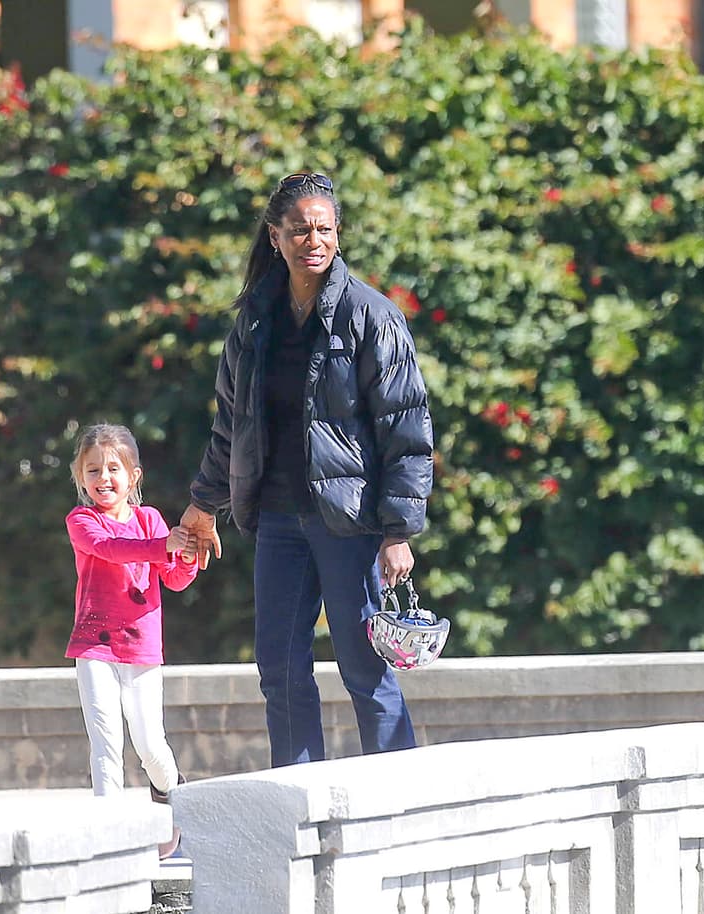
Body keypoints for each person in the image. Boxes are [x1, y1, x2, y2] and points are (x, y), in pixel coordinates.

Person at [178, 171, 434, 767]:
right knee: (279, 669)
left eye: (323, 229)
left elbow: (407, 428)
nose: (311, 240)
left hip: (349, 522)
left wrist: (398, 532)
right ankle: (298, 798)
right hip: (276, 520)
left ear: (338, 235)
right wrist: (202, 503)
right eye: (299, 230)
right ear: (276, 237)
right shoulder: (254, 321)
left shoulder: (372, 315)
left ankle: (398, 799)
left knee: (364, 668)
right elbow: (231, 427)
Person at [65, 422, 197, 858]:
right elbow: (111, 548)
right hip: (93, 647)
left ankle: (172, 795)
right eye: (93, 471)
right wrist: (164, 545)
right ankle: (112, 842)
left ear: (133, 476)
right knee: (105, 742)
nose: (104, 479)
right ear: (80, 478)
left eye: (113, 468)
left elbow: (175, 580)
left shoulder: (151, 520)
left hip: (141, 648)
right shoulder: (82, 521)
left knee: (150, 745)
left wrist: (187, 553)